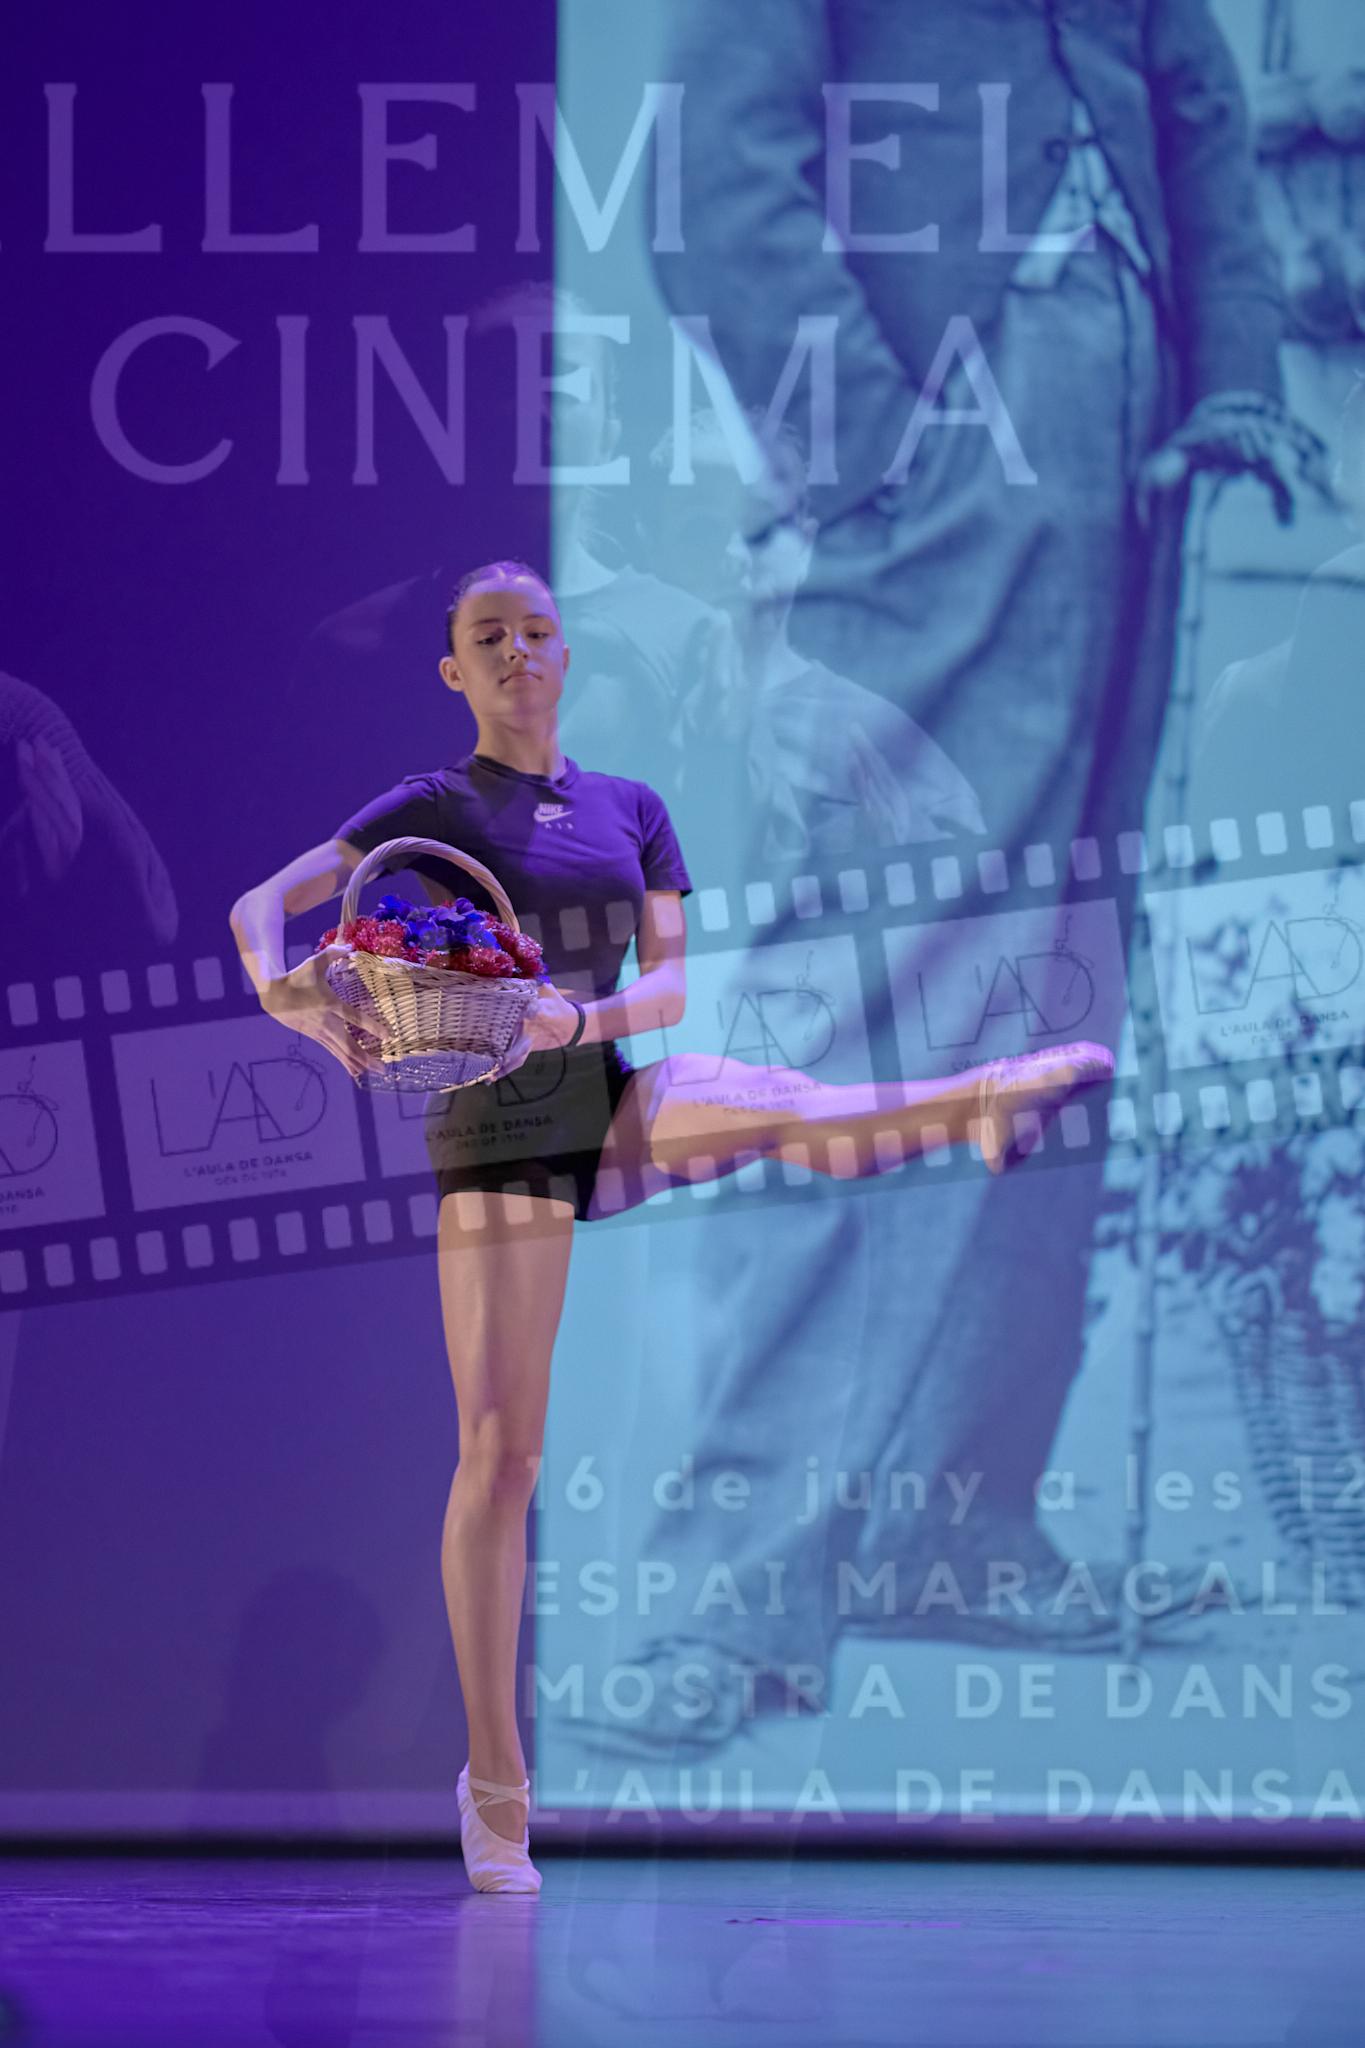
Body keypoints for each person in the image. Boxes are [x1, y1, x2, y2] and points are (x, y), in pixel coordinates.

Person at [607, 0, 1332, 1730]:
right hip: (940, 424)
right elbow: (714, 168)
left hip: (1135, 436)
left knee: (1057, 993)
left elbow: (1194, 108)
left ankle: (954, 1528)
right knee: (877, 987)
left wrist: (1232, 376)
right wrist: (871, 445)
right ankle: (729, 1593)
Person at [228, 558, 1117, 1893]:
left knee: (775, 1104)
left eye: (536, 630)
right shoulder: (431, 805)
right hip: (497, 1129)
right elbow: (259, 910)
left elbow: (664, 991)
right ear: (454, 671)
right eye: (488, 637)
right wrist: (287, 994)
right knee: (502, 1454)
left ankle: (981, 1104)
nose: (518, 651)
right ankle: (494, 1786)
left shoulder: (631, 811)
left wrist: (573, 1019)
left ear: (565, 654)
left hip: (606, 1083)